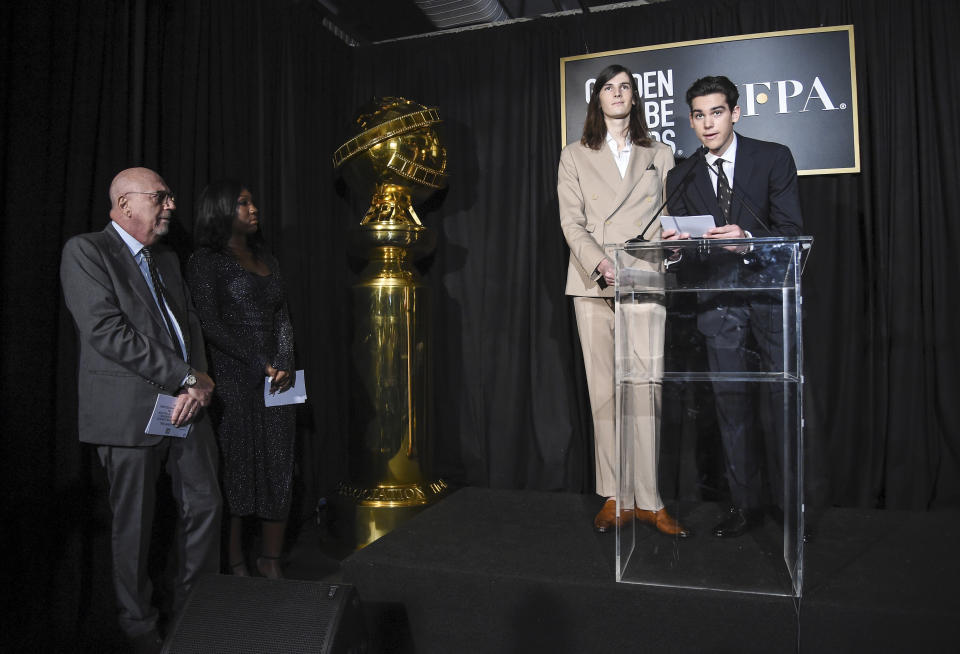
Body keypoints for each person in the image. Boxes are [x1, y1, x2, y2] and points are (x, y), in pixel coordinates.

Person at [60, 167, 221, 654]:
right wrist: (186, 377)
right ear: (126, 203)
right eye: (161, 197)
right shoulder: (86, 251)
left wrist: (198, 384)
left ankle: (199, 613)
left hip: (187, 405)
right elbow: (108, 333)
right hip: (128, 413)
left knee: (206, 504)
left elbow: (188, 326)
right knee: (134, 528)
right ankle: (139, 628)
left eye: (170, 197)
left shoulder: (168, 260)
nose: (171, 205)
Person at [664, 75, 804, 538]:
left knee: (782, 405)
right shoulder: (680, 174)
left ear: (735, 113)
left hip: (768, 297)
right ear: (691, 120)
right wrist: (676, 248)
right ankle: (745, 507)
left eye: (717, 112)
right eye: (699, 115)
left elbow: (790, 231)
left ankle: (789, 510)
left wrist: (747, 240)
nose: (707, 124)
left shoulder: (772, 157)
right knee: (730, 408)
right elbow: (682, 253)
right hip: (717, 304)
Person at [559, 64, 689, 537]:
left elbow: (671, 215)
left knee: (647, 390)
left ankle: (650, 500)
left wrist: (674, 243)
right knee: (604, 392)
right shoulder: (573, 155)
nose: (618, 94)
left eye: (625, 88)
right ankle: (615, 495)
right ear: (597, 99)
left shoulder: (661, 153)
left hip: (645, 278)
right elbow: (571, 222)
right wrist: (600, 263)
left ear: (635, 99)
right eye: (609, 88)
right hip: (592, 283)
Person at [186, 181, 297, 579]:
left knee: (279, 466)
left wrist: (283, 360)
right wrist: (257, 361)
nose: (253, 209)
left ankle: (271, 560)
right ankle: (235, 565)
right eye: (243, 203)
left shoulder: (267, 258)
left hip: (278, 381)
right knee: (237, 473)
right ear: (220, 210)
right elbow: (209, 323)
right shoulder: (205, 261)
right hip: (233, 379)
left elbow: (282, 315)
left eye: (252, 202)